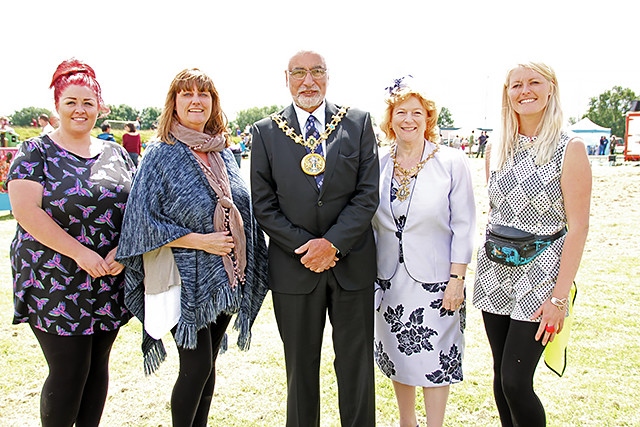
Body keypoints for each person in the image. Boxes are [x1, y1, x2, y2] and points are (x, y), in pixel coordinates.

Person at [116, 68, 268, 427]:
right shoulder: (161, 153)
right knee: (195, 367)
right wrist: (201, 241)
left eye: (204, 94)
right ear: (174, 103)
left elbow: (240, 203)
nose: (196, 100)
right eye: (187, 94)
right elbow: (141, 221)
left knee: (208, 366)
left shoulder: (223, 152)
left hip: (225, 277)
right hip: (183, 279)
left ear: (214, 103)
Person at [250, 50, 379, 427]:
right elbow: (264, 204)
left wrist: (332, 244)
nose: (309, 81)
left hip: (351, 263)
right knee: (300, 369)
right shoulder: (266, 131)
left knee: (356, 367)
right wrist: (307, 248)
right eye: (299, 73)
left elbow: (367, 193)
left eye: (317, 72)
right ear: (286, 78)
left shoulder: (357, 122)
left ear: (328, 76)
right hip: (294, 268)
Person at [6, 58, 135, 427]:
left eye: (88, 103)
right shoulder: (35, 152)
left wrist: (120, 250)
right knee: (69, 372)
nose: (80, 110)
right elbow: (26, 212)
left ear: (100, 107)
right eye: (71, 103)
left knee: (97, 369)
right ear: (57, 106)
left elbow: (137, 208)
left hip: (109, 274)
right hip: (55, 279)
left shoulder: (116, 153)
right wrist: (80, 254)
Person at [472, 62, 591, 426]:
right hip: (495, 270)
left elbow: (578, 228)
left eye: (534, 82)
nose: (525, 91)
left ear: (551, 88)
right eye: (516, 85)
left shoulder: (570, 148)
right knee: (499, 375)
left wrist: (558, 298)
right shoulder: (497, 146)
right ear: (506, 93)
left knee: (516, 380)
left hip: (540, 277)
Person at [373, 76, 476, 427]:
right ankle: (406, 422)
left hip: (438, 282)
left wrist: (457, 279)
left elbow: (464, 224)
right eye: (400, 112)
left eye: (417, 112)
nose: (408, 119)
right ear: (390, 119)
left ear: (428, 118)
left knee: (437, 358)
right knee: (397, 354)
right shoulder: (378, 164)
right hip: (389, 280)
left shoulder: (451, 162)